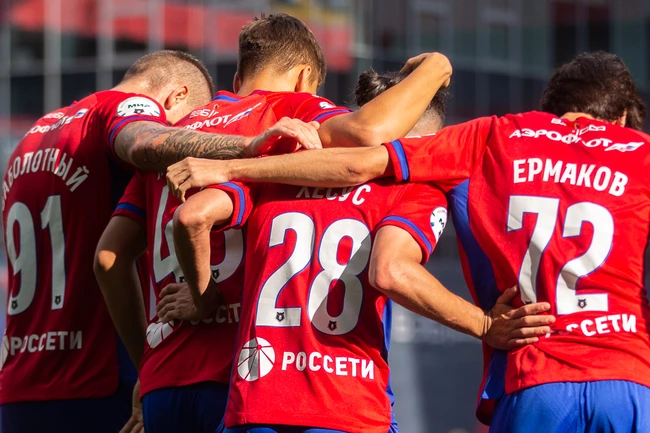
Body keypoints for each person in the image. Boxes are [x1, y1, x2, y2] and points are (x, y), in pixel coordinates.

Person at [166, 51, 650, 432]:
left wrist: (231, 168)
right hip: (628, 375)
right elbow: (392, 269)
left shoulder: (499, 136)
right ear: (626, 117)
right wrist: (483, 323)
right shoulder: (639, 154)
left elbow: (195, 216)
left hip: (533, 378)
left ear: (551, 111)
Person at [94, 13, 456, 433]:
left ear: (237, 77)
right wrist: (437, 66)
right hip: (239, 372)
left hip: (163, 379)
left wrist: (146, 362)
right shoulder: (288, 115)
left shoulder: (177, 136)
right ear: (304, 78)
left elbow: (108, 259)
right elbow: (368, 131)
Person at [0, 48, 315, 433]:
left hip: (19, 387)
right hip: (96, 380)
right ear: (175, 97)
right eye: (184, 125)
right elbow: (144, 144)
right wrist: (246, 148)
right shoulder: (121, 108)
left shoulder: (33, 137)